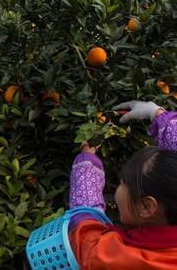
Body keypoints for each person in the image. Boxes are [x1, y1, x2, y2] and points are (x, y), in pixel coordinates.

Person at [65, 100, 177, 269]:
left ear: (146, 206)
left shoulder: (136, 260)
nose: (119, 188)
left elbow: (88, 243)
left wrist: (86, 164)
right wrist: (157, 114)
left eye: (123, 182)